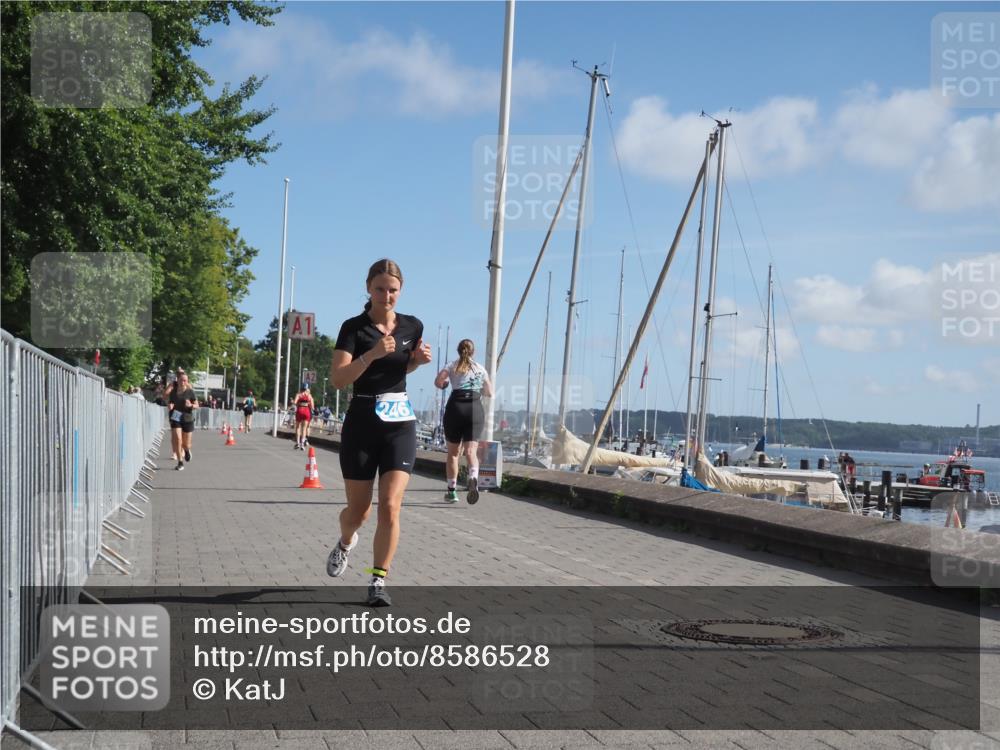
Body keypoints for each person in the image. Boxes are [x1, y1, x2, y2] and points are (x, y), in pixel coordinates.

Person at [326, 259, 432, 607]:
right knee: (358, 513)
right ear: (368, 289)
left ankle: (378, 581)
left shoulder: (412, 326)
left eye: (393, 290)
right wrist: (371, 354)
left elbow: (403, 368)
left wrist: (416, 361)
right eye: (380, 289)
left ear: (400, 291)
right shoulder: (353, 329)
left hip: (399, 421)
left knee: (389, 505)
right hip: (362, 420)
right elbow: (339, 380)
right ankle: (345, 542)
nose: (387, 295)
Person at [435, 339, 493, 504]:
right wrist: (479, 387)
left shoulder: (451, 365)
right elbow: (489, 392)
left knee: (453, 454)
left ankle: (452, 492)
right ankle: (473, 477)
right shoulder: (480, 369)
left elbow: (438, 382)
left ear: (458, 350)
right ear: (473, 352)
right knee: (470, 452)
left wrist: (445, 384)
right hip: (475, 409)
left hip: (456, 407)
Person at [164, 369, 198, 470]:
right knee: (178, 439)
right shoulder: (173, 391)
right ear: (177, 379)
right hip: (176, 416)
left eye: (185, 380)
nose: (183, 382)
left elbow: (197, 405)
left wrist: (191, 405)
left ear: (187, 381)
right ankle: (180, 462)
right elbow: (168, 400)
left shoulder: (190, 391)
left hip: (187, 418)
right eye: (181, 380)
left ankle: (187, 450)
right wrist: (169, 405)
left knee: (186, 444)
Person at [292, 384, 315, 449]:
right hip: (307, 411)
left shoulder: (298, 394)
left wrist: (293, 403)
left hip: (299, 411)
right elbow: (312, 407)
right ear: (306, 388)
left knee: (297, 427)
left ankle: (297, 443)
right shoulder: (309, 395)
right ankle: (302, 443)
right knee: (304, 428)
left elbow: (295, 402)